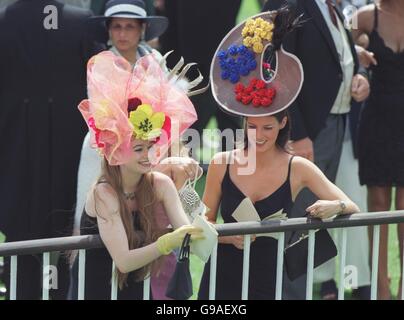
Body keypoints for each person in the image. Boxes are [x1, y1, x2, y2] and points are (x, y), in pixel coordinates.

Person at [197, 9, 360, 300]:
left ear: (283, 123)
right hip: (221, 277)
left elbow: (351, 206)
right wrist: (223, 234)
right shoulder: (222, 163)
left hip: (269, 279)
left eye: (267, 128)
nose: (258, 136)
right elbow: (202, 222)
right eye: (252, 126)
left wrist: (332, 207)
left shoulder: (298, 168)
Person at [69, 50, 205, 300]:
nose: (148, 155)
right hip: (97, 289)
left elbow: (188, 226)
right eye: (138, 149)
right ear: (118, 152)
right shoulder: (103, 193)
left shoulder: (160, 183)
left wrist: (198, 228)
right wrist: (167, 242)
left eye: (150, 147)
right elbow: (124, 261)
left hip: (140, 287)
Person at [263, 0, 370, 299]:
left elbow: (343, 58)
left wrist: (359, 75)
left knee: (325, 213)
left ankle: (324, 286)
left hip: (340, 124)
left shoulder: (337, 7)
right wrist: (297, 132)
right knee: (300, 218)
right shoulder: (290, 3)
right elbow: (276, 69)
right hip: (308, 130)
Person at [0, 0, 104, 300]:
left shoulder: (4, 21)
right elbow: (99, 85)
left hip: (14, 150)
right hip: (68, 151)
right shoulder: (81, 20)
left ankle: (22, 292)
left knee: (20, 236)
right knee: (64, 234)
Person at [352, 0, 404, 300]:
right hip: (377, 122)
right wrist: (356, 52)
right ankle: (381, 290)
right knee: (378, 205)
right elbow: (340, 46)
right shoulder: (364, 17)